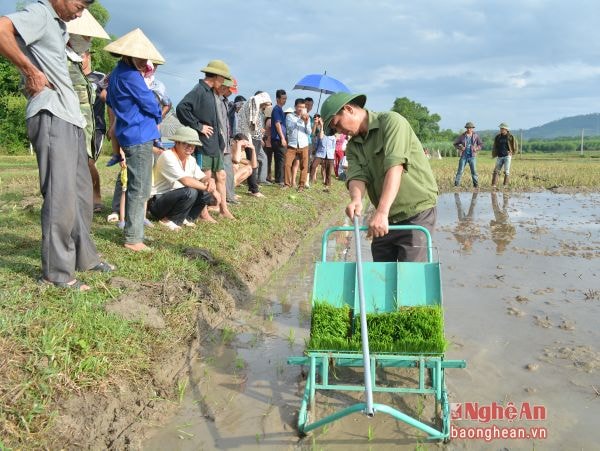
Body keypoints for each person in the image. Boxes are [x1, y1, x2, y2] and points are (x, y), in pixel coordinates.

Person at [0, 0, 114, 291]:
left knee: (81, 193)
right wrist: (30, 71)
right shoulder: (40, 12)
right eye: (79, 5)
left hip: (71, 117)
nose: (80, 13)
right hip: (51, 114)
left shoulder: (59, 26)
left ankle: (84, 257)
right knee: (60, 195)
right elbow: (2, 29)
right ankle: (56, 273)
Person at [321, 92, 438, 262]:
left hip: (416, 212)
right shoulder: (353, 146)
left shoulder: (391, 122)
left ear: (348, 109)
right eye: (335, 130)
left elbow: (395, 167)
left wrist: (381, 211)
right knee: (381, 273)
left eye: (337, 125)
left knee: (410, 275)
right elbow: (357, 175)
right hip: (385, 217)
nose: (340, 132)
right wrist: (356, 199)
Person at [104, 29, 164, 252]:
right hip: (139, 134)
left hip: (128, 132)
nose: (142, 61)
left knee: (137, 185)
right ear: (128, 55)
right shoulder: (130, 76)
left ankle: (135, 230)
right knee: (140, 187)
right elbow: (149, 102)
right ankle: (133, 238)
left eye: (144, 58)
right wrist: (157, 114)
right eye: (139, 57)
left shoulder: (117, 73)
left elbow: (109, 99)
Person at [176, 59, 235, 219]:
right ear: (216, 76)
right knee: (206, 177)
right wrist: (199, 126)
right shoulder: (199, 90)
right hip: (204, 142)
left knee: (221, 176)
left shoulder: (211, 92)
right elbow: (182, 108)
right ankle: (204, 212)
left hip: (215, 142)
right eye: (222, 78)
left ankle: (223, 208)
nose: (223, 82)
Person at [149, 126, 219, 229]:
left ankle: (186, 218)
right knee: (191, 191)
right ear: (177, 142)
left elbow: (202, 177)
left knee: (202, 192)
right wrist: (211, 189)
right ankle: (168, 220)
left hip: (177, 197)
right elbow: (186, 181)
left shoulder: (191, 159)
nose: (190, 147)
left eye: (193, 145)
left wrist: (210, 180)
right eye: (186, 143)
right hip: (158, 201)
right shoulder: (167, 156)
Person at [285, 98, 311, 191]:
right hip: (292, 144)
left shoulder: (307, 117)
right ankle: (287, 184)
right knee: (287, 164)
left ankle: (301, 186)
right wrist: (300, 119)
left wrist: (307, 122)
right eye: (299, 107)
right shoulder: (290, 116)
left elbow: (309, 132)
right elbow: (290, 128)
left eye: (303, 107)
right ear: (295, 107)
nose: (301, 109)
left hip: (304, 145)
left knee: (304, 166)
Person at [309, 114, 336, 190]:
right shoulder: (320, 133)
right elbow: (319, 139)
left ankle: (327, 184)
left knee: (328, 170)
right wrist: (315, 150)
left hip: (329, 155)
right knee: (313, 166)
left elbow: (334, 147)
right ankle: (310, 180)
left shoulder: (333, 137)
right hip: (320, 152)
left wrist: (332, 155)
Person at [453, 121, 482, 189]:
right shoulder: (462, 136)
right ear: (466, 128)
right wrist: (460, 147)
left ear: (472, 128)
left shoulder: (476, 136)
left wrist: (476, 148)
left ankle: (476, 186)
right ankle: (456, 185)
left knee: (474, 171)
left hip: (472, 156)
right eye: (468, 128)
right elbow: (455, 144)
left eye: (470, 128)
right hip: (464, 156)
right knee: (460, 171)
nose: (469, 129)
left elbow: (481, 144)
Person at [491, 122, 518, 189]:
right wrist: (495, 153)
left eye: (502, 128)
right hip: (499, 156)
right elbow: (495, 146)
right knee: (496, 170)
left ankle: (505, 185)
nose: (501, 129)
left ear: (506, 129)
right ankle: (493, 185)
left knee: (506, 171)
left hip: (507, 156)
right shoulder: (498, 137)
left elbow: (516, 146)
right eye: (500, 128)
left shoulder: (510, 137)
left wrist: (512, 152)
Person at [270, 89, 288, 186]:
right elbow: (277, 124)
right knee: (281, 159)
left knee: (278, 158)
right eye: (283, 98)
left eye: (286, 98)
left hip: (278, 138)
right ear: (277, 99)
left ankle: (278, 178)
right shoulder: (277, 109)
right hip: (277, 138)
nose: (284, 100)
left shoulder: (280, 109)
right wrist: (282, 138)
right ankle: (280, 180)